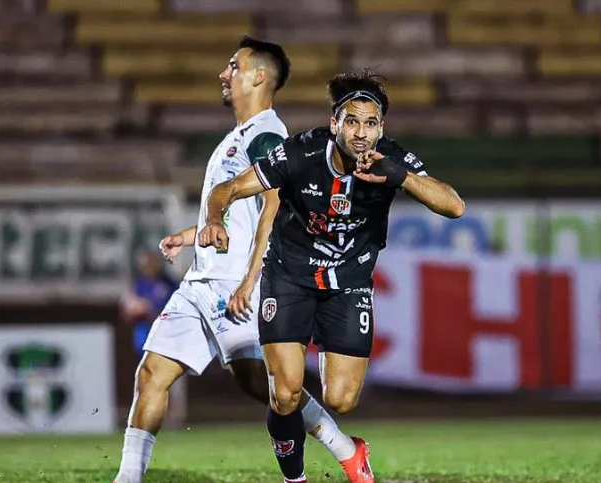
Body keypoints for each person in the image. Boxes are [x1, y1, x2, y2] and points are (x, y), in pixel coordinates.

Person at [113, 37, 367, 483]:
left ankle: (346, 449)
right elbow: (237, 216)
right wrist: (194, 235)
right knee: (151, 372)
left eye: (234, 65)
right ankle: (127, 478)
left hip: (237, 287)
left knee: (268, 387)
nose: (224, 73)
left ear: (258, 77)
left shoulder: (267, 134)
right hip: (200, 283)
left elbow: (275, 209)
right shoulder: (238, 137)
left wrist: (252, 281)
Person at [198, 69, 466, 483]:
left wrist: (399, 176)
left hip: (349, 283)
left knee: (340, 400)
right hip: (290, 276)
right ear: (335, 123)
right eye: (352, 121)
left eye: (371, 123)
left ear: (381, 129)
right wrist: (214, 219)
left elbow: (454, 206)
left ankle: (351, 448)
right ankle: (295, 479)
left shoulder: (392, 159)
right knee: (284, 392)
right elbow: (227, 189)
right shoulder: (299, 154)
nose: (361, 132)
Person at [119, 250, 180, 360]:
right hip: (145, 335)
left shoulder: (169, 283)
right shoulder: (139, 284)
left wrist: (150, 307)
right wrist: (135, 309)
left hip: (167, 337)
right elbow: (127, 310)